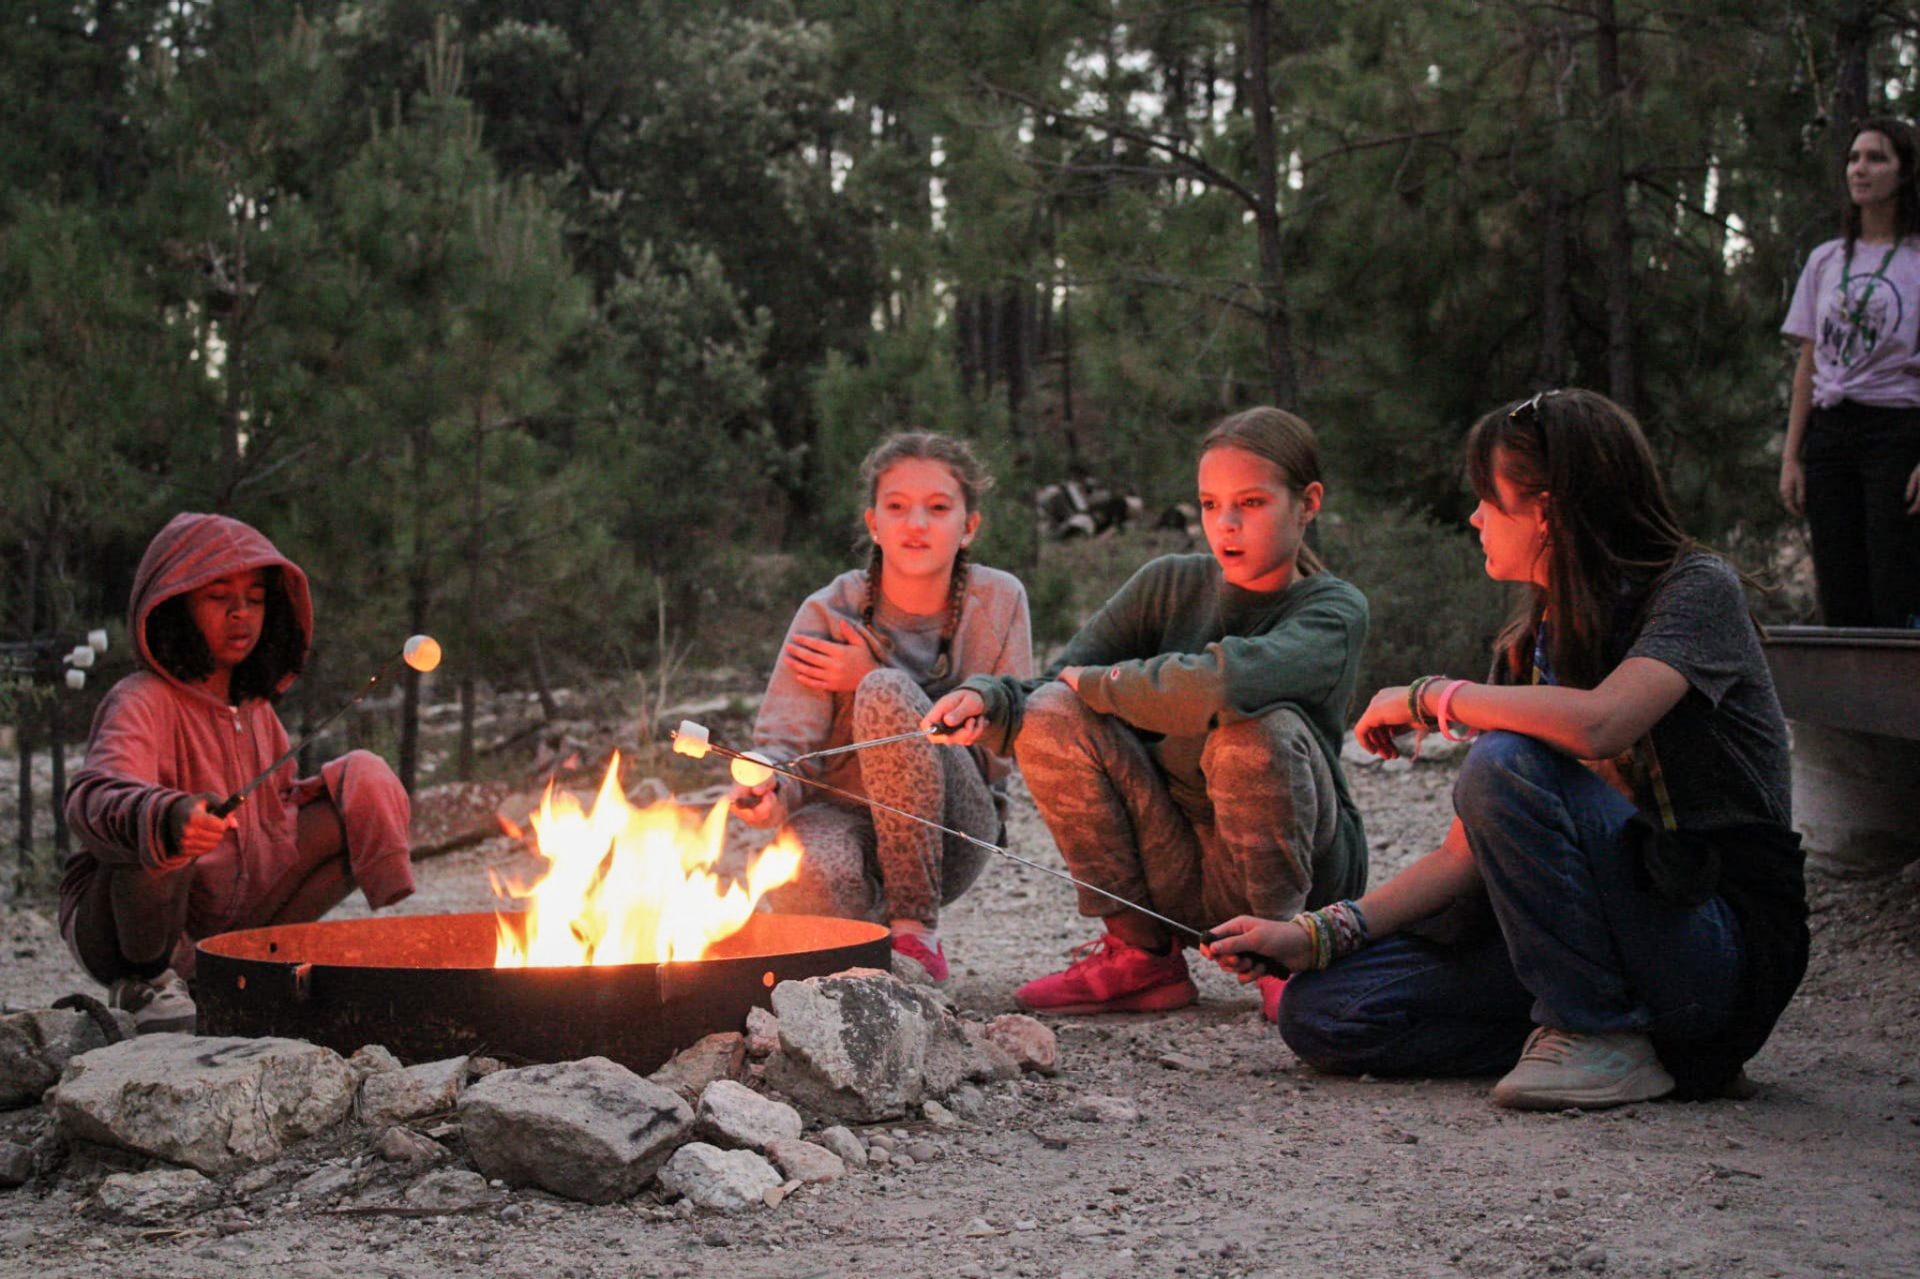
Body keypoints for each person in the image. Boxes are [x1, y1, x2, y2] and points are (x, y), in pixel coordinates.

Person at [1208, 390, 1807, 1111]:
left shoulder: (1694, 591)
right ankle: (1632, 1048)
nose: (1474, 518)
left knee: (1504, 762)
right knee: (1325, 1010)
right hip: (1598, 944)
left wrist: (1431, 695)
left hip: (1713, 942)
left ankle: (1598, 1034)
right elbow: (1463, 856)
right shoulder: (1531, 644)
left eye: (1488, 500)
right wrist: (1318, 934)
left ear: (1548, 511)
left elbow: (1602, 723)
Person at [925, 407, 1370, 1021]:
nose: (1228, 525)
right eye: (1211, 505)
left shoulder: (1333, 609)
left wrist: (1106, 683)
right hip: (1179, 863)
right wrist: (990, 700)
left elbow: (1222, 683)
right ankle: (1141, 957)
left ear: (1308, 502)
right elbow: (1057, 684)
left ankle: (1283, 960)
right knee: (1052, 710)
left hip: (1298, 879)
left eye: (1252, 503)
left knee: (1254, 732)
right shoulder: (1169, 583)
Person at [62, 513, 416, 1033]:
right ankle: (148, 984)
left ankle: (247, 965)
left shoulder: (256, 712)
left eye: (254, 598)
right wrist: (169, 817)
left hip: (230, 916)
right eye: (217, 597)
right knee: (162, 836)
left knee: (355, 786)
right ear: (175, 605)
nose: (239, 614)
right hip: (125, 929)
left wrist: (353, 785)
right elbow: (90, 800)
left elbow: (275, 820)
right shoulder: (141, 699)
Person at [740, 432, 1032, 984]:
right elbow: (787, 746)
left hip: (952, 828)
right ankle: (854, 959)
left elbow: (1004, 741)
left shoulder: (998, 601)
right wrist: (769, 787)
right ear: (874, 523)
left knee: (882, 692)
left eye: (938, 508)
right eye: (896, 508)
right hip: (842, 815)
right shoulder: (829, 611)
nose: (916, 523)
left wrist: (876, 676)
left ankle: (914, 932)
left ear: (969, 526)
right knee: (808, 863)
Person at [1780, 116, 1920, 628]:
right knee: (1839, 586)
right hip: (1830, 433)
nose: (1860, 169)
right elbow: (1808, 362)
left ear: (1904, 173)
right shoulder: (1826, 260)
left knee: (1894, 581)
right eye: (1854, 158)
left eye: (1877, 158)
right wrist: (1792, 456)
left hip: (1898, 432)